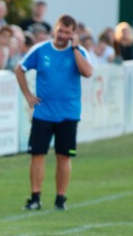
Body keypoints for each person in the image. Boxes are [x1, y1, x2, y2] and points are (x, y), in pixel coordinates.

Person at [14, 14, 92, 211]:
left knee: (63, 156)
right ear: (54, 29)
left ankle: (60, 198)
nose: (62, 35)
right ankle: (35, 198)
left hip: (68, 113)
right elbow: (19, 69)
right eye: (60, 30)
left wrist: (74, 48)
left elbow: (88, 72)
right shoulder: (41, 50)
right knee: (37, 155)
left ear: (73, 33)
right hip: (44, 113)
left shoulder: (79, 51)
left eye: (67, 32)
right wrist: (28, 96)